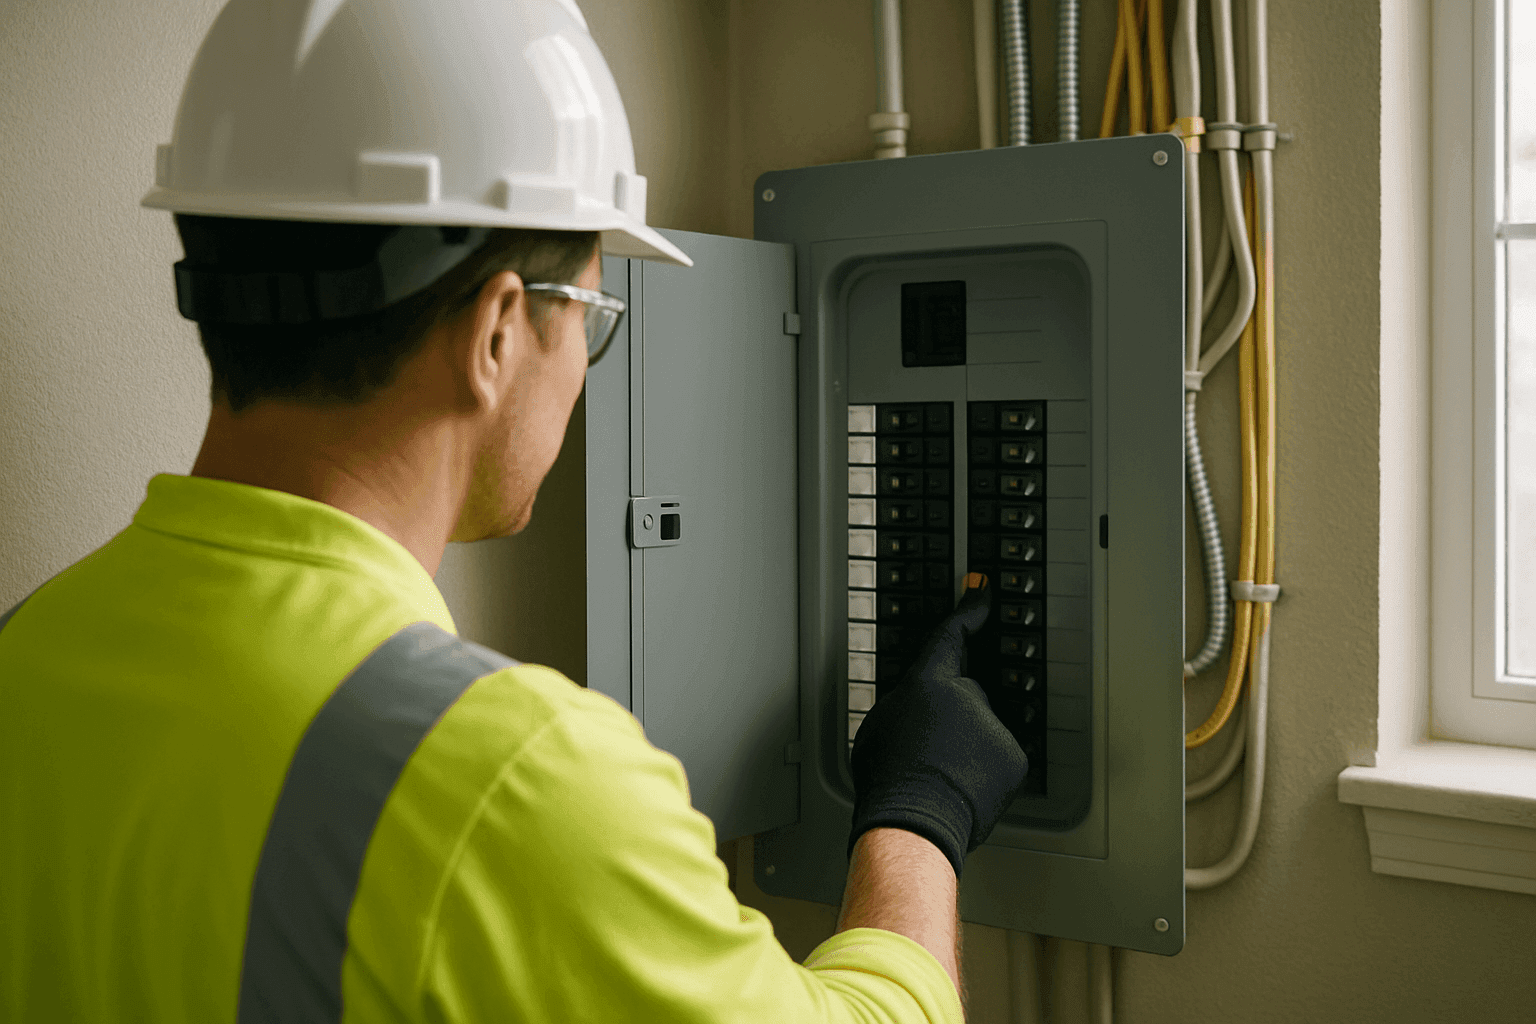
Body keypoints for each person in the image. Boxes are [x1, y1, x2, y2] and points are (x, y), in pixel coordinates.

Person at [0, 2, 1028, 1021]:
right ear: (498, 331)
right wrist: (918, 812)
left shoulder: (28, 648)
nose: (584, 362)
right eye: (590, 313)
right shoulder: (513, 782)